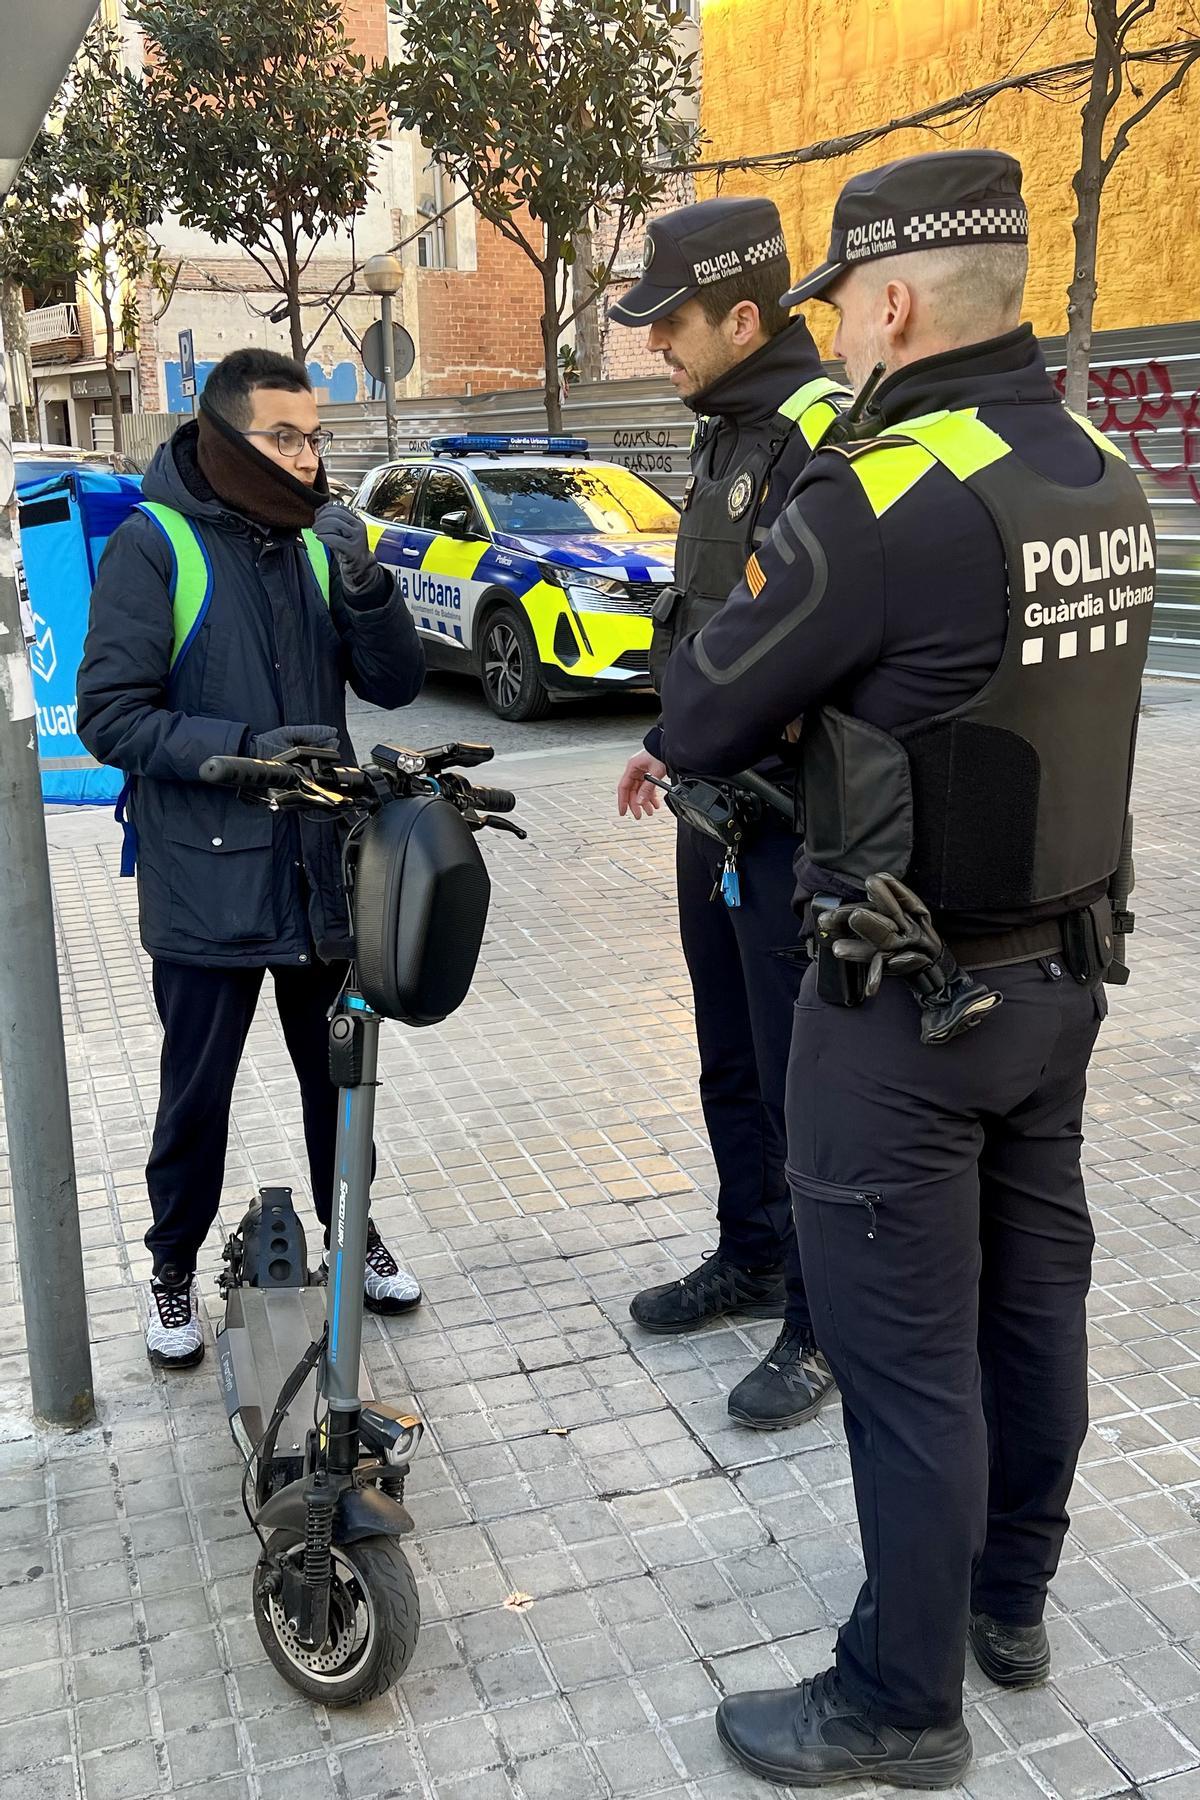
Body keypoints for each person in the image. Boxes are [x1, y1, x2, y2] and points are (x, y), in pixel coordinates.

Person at [660, 150, 1155, 1788]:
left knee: (905, 1355)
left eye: (841, 316)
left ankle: (899, 1697)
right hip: (1066, 983)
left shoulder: (886, 493)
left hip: (903, 1007)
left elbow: (701, 717)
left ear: (885, 302)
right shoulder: (1104, 463)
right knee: (1037, 1308)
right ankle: (1011, 1604)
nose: (841, 344)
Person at [77, 349, 426, 1371]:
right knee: (197, 1093)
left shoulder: (322, 545)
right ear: (225, 437)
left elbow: (399, 683)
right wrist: (237, 753)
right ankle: (172, 1270)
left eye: (316, 438)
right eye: (284, 438)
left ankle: (351, 1237)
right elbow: (111, 715)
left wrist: (364, 581)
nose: (307, 461)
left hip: (324, 867)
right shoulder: (158, 545)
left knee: (342, 1081)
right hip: (206, 875)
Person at [611, 197, 847, 1429]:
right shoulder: (722, 434)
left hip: (790, 826)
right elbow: (718, 626)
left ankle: (818, 1322)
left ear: (746, 317)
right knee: (729, 1056)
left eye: (674, 322)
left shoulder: (821, 436)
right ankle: (751, 1255)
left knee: (803, 1076)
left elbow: (819, 650)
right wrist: (665, 740)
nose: (657, 344)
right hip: (715, 814)